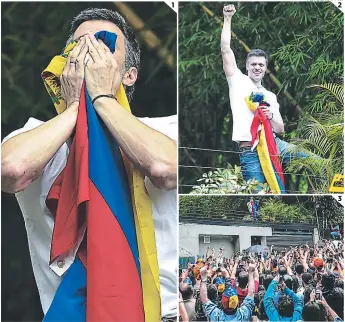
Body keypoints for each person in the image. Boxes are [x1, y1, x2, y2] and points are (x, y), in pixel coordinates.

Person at [1, 8, 177, 320]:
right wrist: (73, 108)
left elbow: (165, 168)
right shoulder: (33, 136)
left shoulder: (166, 129)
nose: (90, 52)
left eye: (104, 46)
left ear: (129, 74)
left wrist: (103, 100)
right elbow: (10, 170)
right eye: (80, 46)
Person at [221, 4, 315, 191]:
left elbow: (280, 128)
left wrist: (269, 115)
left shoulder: (270, 95)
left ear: (265, 68)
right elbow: (225, 49)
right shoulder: (237, 81)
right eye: (253, 64)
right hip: (250, 150)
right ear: (247, 66)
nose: (257, 67)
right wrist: (227, 18)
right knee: (259, 196)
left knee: (316, 162)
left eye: (261, 65)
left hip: (274, 143)